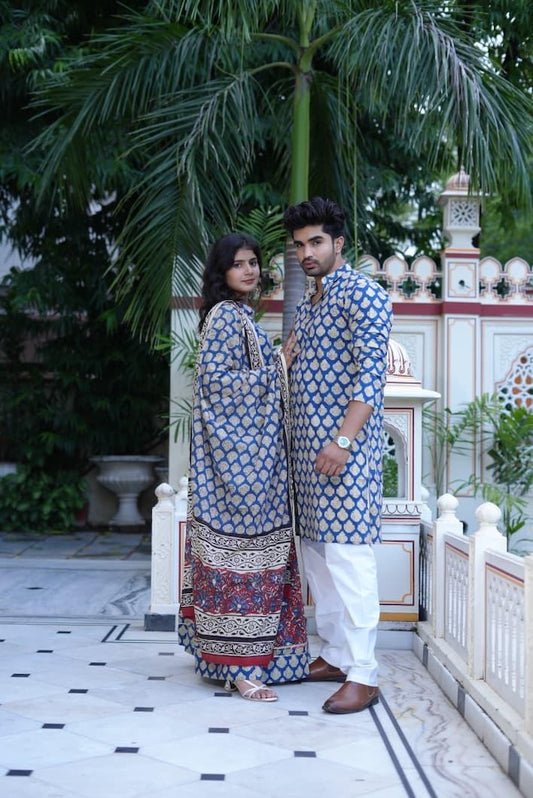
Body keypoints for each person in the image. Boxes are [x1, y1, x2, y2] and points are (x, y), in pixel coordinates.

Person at [178, 232, 309, 702]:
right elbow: (217, 387)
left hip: (257, 467)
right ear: (222, 273)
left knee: (261, 562)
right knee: (237, 562)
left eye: (253, 262)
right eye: (238, 264)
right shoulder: (224, 317)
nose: (250, 271)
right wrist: (278, 363)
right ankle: (239, 669)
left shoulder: (241, 317)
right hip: (237, 476)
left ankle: (249, 660)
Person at [283, 197, 392, 714]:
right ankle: (335, 654)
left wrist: (343, 441)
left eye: (316, 242)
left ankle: (365, 674)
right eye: (300, 244)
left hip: (342, 455)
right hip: (307, 455)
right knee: (318, 558)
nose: (307, 252)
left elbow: (371, 376)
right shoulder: (310, 302)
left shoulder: (363, 294)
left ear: (338, 243)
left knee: (350, 558)